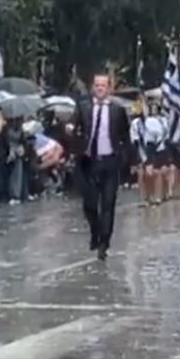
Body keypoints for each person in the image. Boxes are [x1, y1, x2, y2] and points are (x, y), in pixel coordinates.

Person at [76, 74, 131, 260]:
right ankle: (95, 232)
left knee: (108, 205)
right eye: (97, 85)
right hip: (89, 162)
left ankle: (104, 243)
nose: (100, 88)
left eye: (103, 85)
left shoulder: (117, 110)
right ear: (93, 87)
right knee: (89, 205)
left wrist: (123, 159)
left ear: (109, 89)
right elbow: (75, 131)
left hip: (110, 162)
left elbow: (126, 138)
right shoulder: (83, 108)